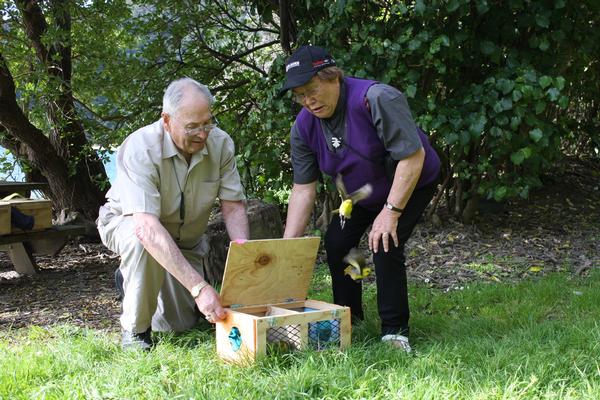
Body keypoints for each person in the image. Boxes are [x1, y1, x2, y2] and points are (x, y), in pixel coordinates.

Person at [280, 46, 441, 353]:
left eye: (312, 90)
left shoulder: (376, 98)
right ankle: (348, 318)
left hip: (411, 179)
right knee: (339, 242)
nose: (308, 101)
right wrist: (288, 245)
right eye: (300, 95)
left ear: (333, 77)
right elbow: (303, 189)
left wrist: (391, 212)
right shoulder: (303, 127)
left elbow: (412, 157)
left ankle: (395, 332)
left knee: (384, 241)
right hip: (362, 192)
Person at [97, 77, 249, 350]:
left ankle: (134, 283)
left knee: (178, 326)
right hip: (130, 224)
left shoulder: (221, 144)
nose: (203, 134)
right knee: (140, 241)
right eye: (192, 127)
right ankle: (135, 332)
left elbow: (233, 204)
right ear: (166, 120)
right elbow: (145, 227)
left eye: (207, 123)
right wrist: (200, 288)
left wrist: (244, 254)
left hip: (185, 239)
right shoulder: (140, 147)